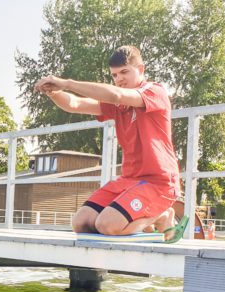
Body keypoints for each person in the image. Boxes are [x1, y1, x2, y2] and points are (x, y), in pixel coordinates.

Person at [34, 45, 181, 241]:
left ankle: (162, 215)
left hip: (159, 182)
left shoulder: (154, 92)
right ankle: (151, 217)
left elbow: (115, 94)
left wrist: (67, 82)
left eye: (124, 72)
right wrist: (53, 92)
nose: (119, 79)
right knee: (82, 224)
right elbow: (75, 104)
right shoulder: (118, 105)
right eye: (114, 75)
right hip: (130, 180)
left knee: (106, 225)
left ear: (141, 70)